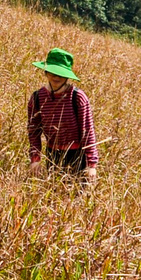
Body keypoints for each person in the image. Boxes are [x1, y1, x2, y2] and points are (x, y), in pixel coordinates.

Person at [27, 48, 99, 185]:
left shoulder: (77, 97)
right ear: (46, 72)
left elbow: (88, 131)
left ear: (67, 76)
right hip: (52, 155)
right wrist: (35, 159)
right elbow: (33, 131)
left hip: (78, 157)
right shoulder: (37, 97)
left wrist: (91, 165)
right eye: (53, 72)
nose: (56, 77)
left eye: (61, 73)